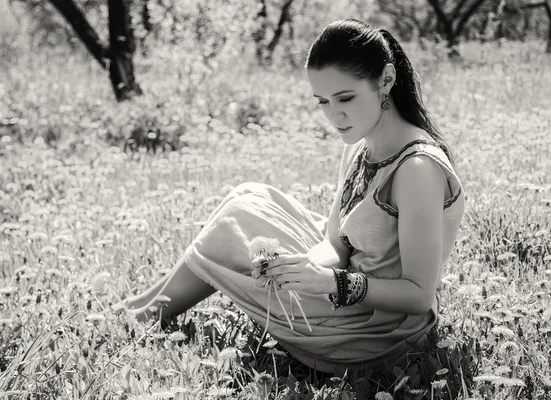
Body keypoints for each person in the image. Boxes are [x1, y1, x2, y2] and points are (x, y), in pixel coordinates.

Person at [116, 18, 465, 376]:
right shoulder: (362, 144)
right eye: (323, 102)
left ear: (386, 80)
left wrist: (329, 283)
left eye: (346, 98)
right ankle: (138, 306)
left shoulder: (417, 169)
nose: (334, 115)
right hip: (344, 284)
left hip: (378, 334)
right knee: (248, 195)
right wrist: (298, 267)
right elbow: (336, 242)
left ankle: (143, 316)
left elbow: (419, 296)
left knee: (234, 221)